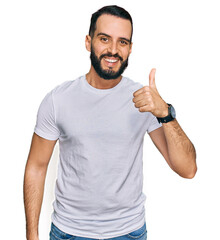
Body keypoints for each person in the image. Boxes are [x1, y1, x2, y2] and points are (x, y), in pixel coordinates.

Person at [23, 5, 197, 240]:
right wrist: (31, 235)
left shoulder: (144, 101)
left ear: (130, 48)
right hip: (69, 231)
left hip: (128, 231)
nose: (113, 50)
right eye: (104, 39)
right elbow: (36, 166)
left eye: (122, 42)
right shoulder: (58, 100)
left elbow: (187, 169)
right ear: (88, 41)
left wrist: (164, 112)